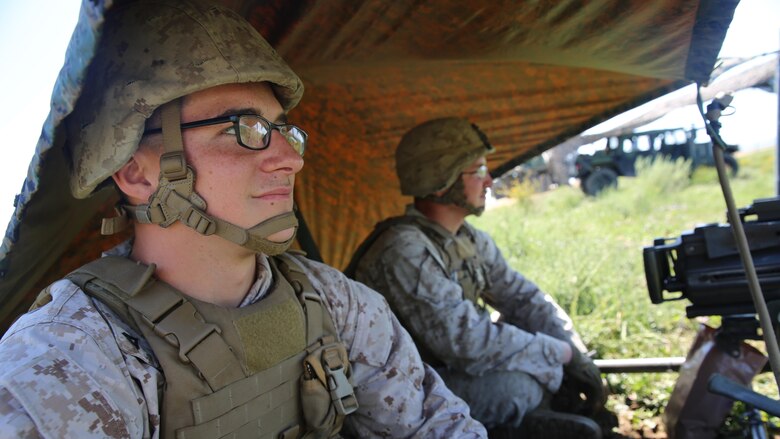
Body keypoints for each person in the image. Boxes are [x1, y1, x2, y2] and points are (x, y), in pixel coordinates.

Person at [0, 3, 487, 438]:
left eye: (283, 131)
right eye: (245, 129)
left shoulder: (333, 301)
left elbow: (435, 424)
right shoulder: (70, 360)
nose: (289, 159)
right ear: (136, 173)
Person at [347, 117, 613, 438]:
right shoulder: (402, 250)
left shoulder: (467, 239)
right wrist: (557, 355)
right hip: (397, 390)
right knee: (522, 386)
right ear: (441, 180)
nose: (489, 182)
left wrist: (574, 351)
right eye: (478, 171)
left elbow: (523, 296)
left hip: (441, 370)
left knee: (538, 362)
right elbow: (466, 342)